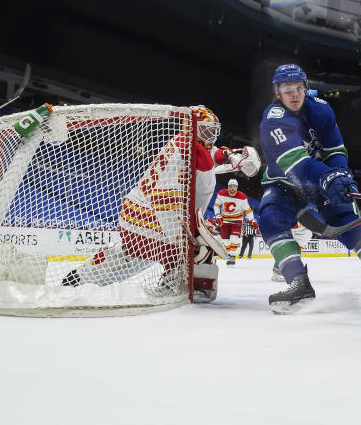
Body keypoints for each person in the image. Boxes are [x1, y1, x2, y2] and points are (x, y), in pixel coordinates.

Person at [260, 64, 361, 313]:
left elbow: (336, 150)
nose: (294, 95)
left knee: (347, 222)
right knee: (270, 220)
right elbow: (297, 167)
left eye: (299, 88)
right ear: (277, 93)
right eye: (288, 90)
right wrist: (328, 177)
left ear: (305, 88)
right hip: (284, 183)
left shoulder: (320, 110)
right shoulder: (273, 120)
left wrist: (340, 173)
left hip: (320, 178)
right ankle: (299, 283)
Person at [63, 106, 242, 303]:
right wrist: (182, 238)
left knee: (128, 257)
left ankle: (76, 278)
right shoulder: (184, 151)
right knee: (195, 248)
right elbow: (164, 198)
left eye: (214, 131)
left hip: (137, 214)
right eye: (207, 130)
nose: (212, 136)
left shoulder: (187, 144)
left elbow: (213, 154)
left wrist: (234, 155)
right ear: (195, 129)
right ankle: (178, 283)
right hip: (149, 215)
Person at [214, 177, 255, 265]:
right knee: (225, 241)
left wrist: (252, 220)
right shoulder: (221, 193)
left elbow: (248, 210)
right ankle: (230, 254)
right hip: (224, 221)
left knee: (234, 238)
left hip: (237, 221)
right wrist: (217, 215)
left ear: (237, 187)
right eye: (231, 186)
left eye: (234, 186)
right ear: (228, 187)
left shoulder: (242, 197)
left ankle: (232, 256)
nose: (232, 188)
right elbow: (216, 205)